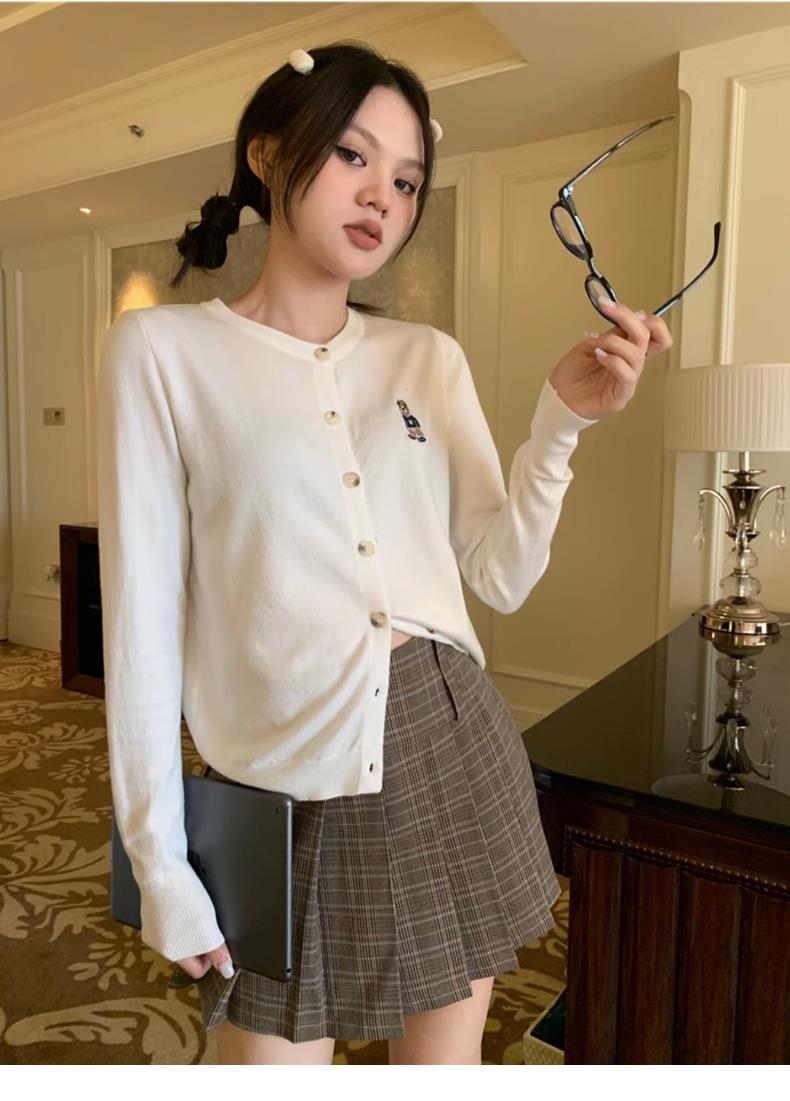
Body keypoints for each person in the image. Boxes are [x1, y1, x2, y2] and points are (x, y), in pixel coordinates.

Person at [96, 40, 673, 1066]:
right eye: (353, 156)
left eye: (406, 181)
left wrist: (560, 427)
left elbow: (498, 575)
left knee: (440, 1073)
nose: (381, 198)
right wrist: (157, 857)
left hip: (444, 739)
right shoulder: (162, 352)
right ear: (269, 152)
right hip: (273, 782)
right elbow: (139, 624)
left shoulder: (425, 358)